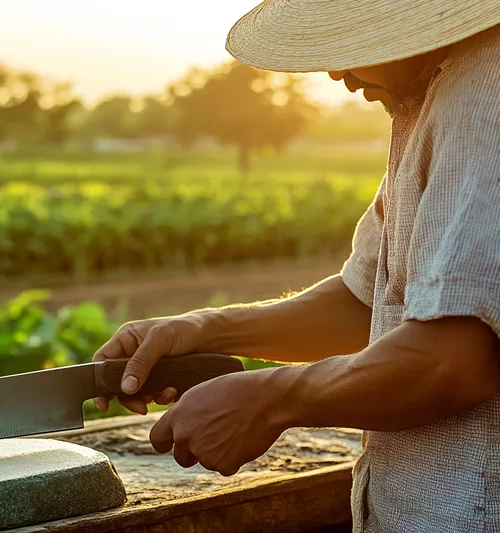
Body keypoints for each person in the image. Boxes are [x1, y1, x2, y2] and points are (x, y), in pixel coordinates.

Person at [92, 2, 500, 531]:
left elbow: (450, 361)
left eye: (345, 40)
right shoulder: (435, 99)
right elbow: (366, 305)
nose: (334, 70)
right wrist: (201, 330)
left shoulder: (483, 96)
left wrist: (272, 398)